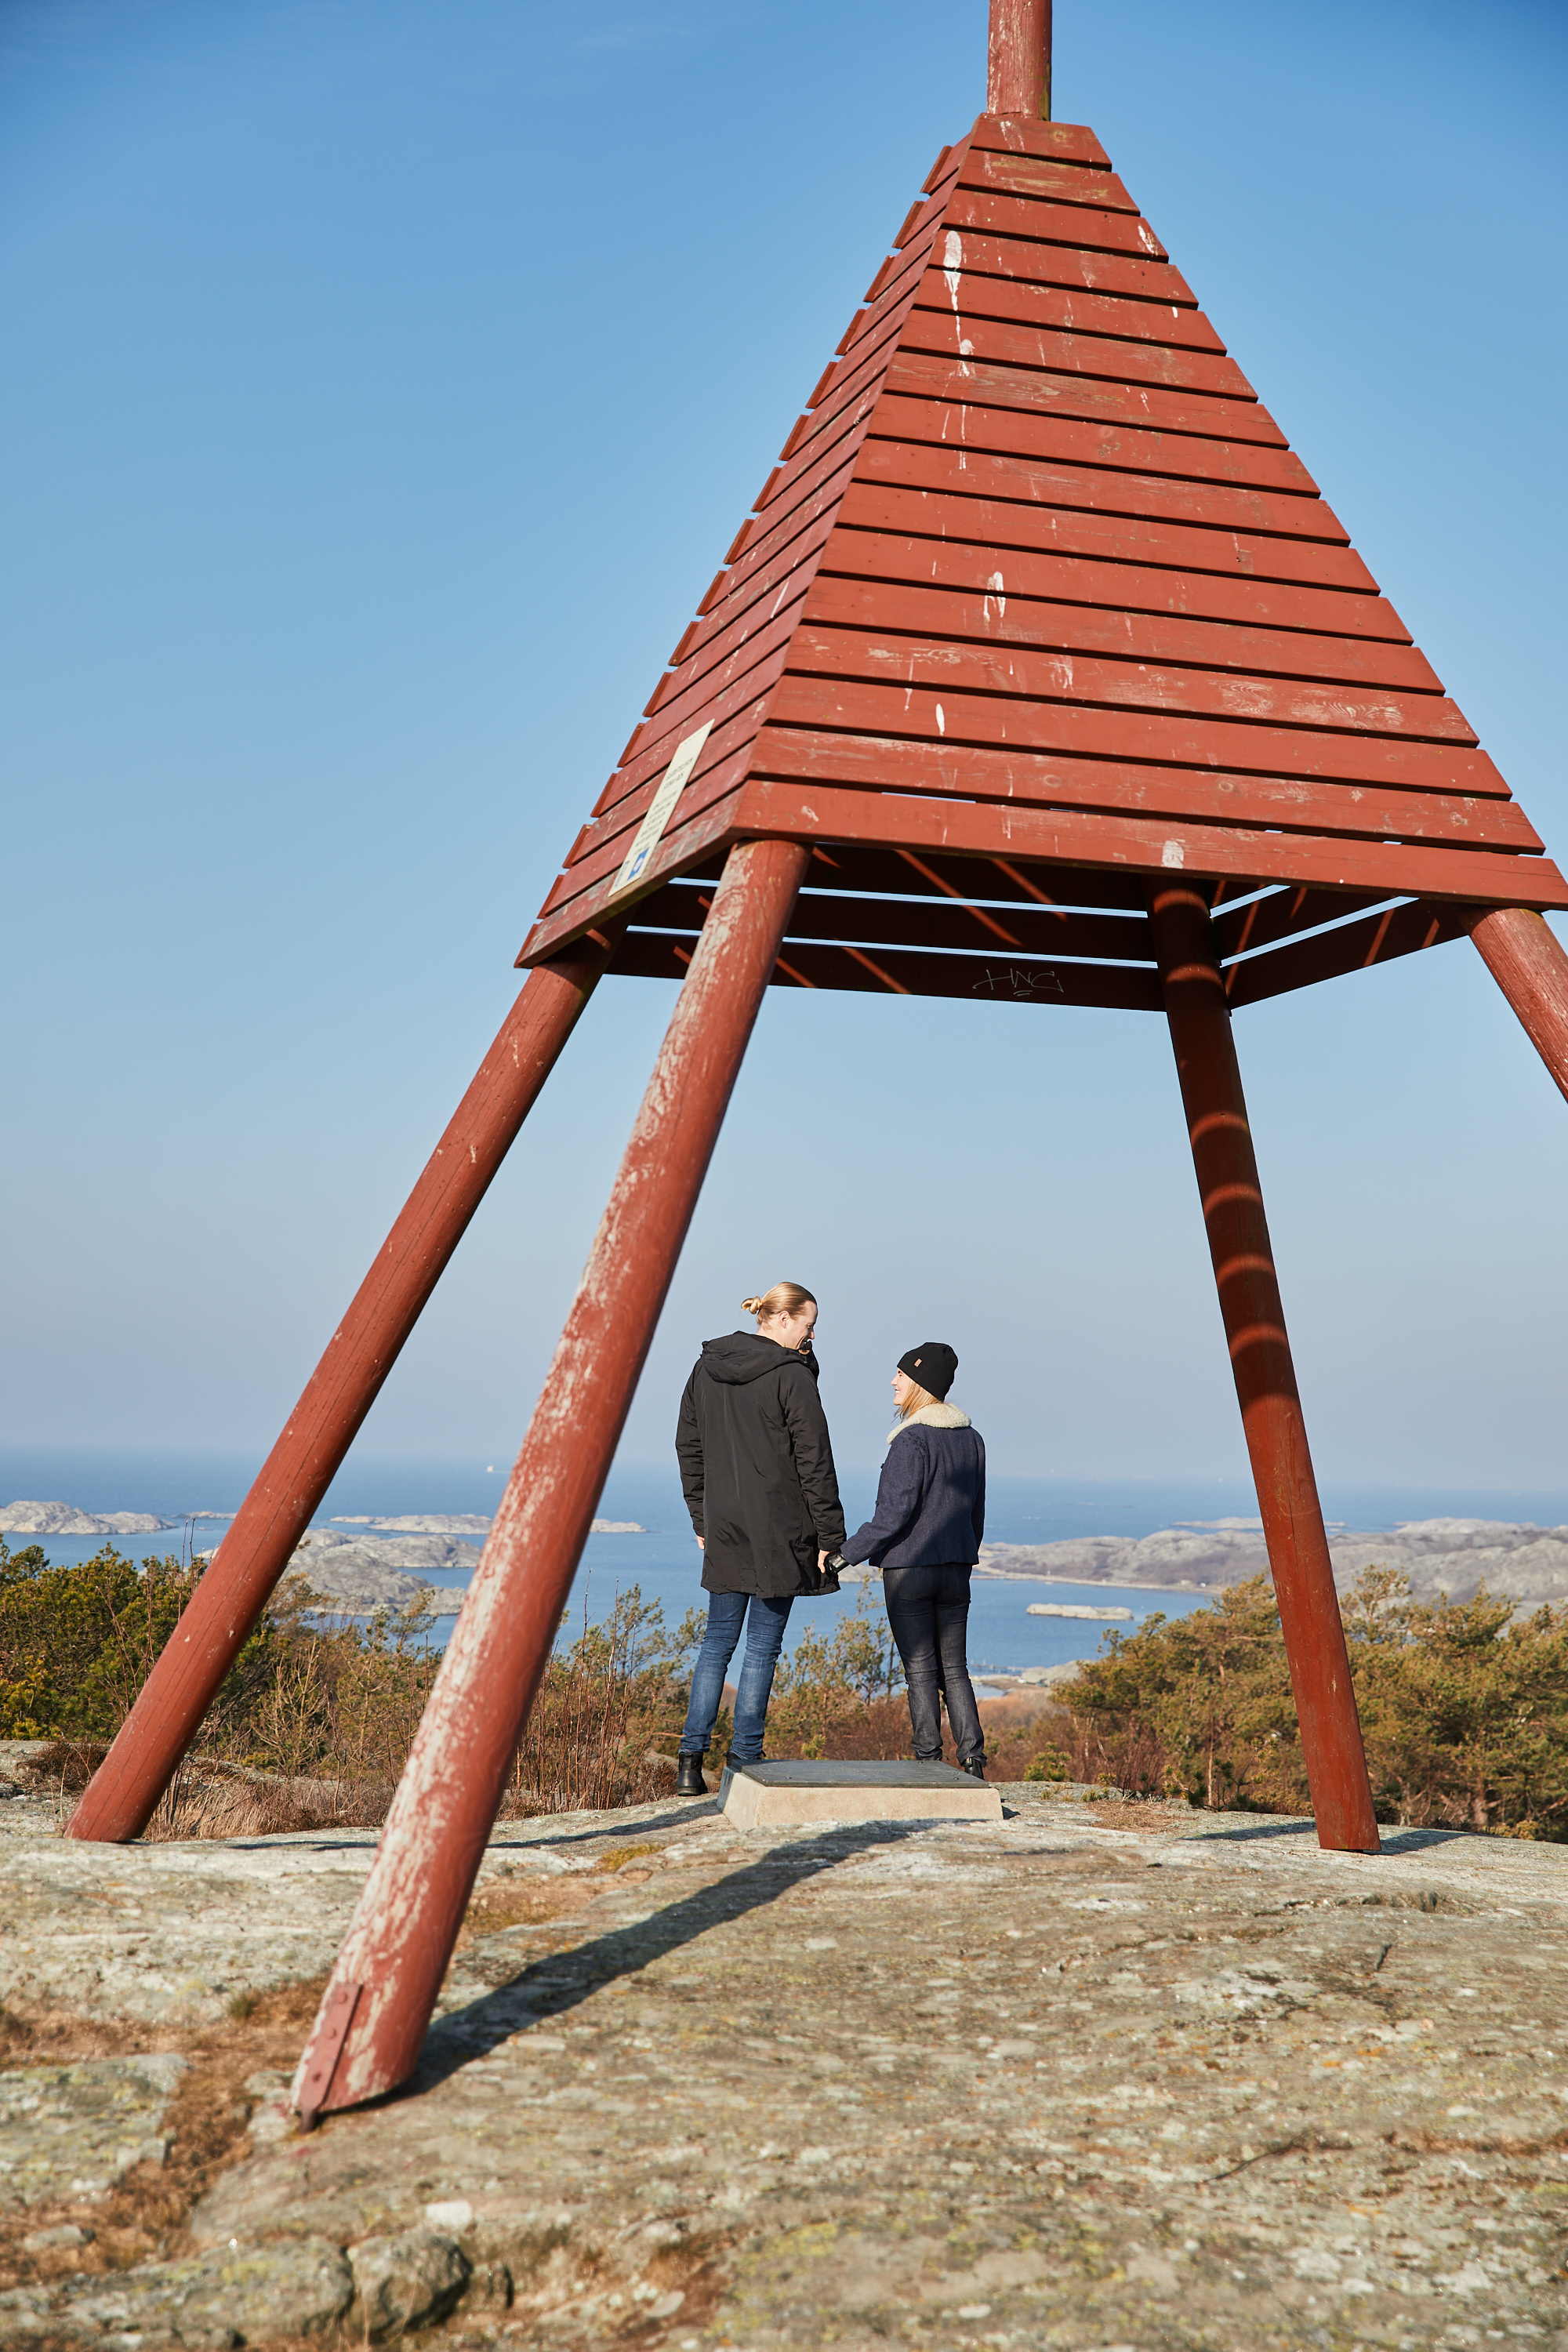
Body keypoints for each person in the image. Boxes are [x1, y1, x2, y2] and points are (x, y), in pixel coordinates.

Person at [673, 1280, 847, 1795]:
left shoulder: (707, 1367)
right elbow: (815, 1462)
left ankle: (689, 1762)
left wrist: (701, 1519)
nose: (812, 1334)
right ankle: (745, 1758)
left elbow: (689, 1445)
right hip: (779, 1530)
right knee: (760, 1651)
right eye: (809, 1324)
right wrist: (830, 1536)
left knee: (715, 1646)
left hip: (724, 1526)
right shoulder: (792, 1378)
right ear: (785, 1319)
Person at [840, 1341, 987, 1778]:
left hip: (910, 1570)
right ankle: (973, 1761)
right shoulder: (972, 1439)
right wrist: (964, 1554)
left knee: (921, 1669)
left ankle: (928, 1763)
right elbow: (974, 1513)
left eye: (901, 1375)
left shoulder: (912, 1440)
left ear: (920, 1383)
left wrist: (841, 1557)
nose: (893, 1381)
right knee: (955, 1669)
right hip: (956, 1569)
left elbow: (892, 1516)